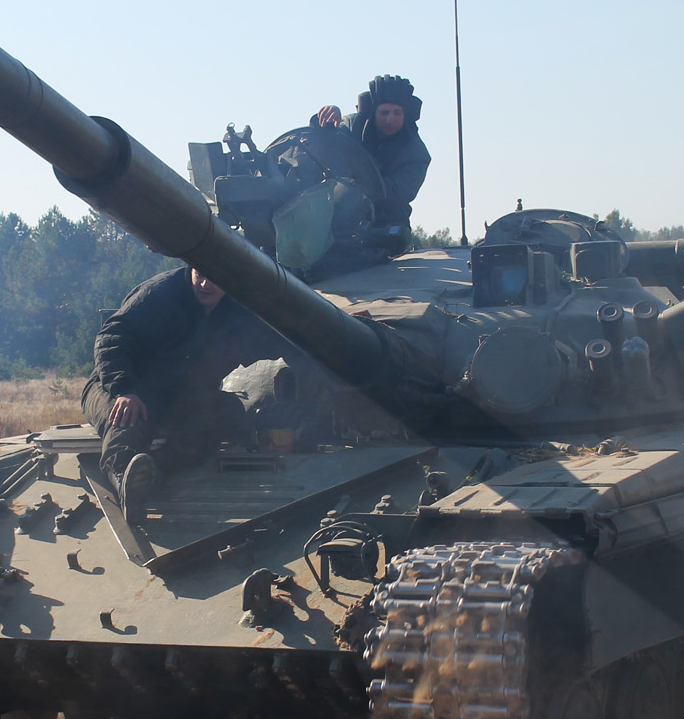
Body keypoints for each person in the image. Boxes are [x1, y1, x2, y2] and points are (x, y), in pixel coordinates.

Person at [80, 266, 294, 524]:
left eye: (215, 277)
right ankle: (125, 481)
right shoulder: (159, 294)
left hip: (176, 396)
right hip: (120, 386)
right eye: (200, 274)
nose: (206, 284)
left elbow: (284, 343)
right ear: (190, 267)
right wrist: (123, 389)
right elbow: (112, 336)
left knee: (227, 411)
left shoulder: (239, 312)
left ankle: (153, 471)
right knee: (126, 419)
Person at [313, 75, 432, 232]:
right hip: (335, 214)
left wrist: (355, 183)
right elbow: (321, 150)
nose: (390, 119)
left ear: (406, 115)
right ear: (373, 113)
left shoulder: (416, 153)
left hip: (384, 221)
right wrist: (326, 126)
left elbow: (396, 193)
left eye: (397, 113)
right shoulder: (351, 127)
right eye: (384, 113)